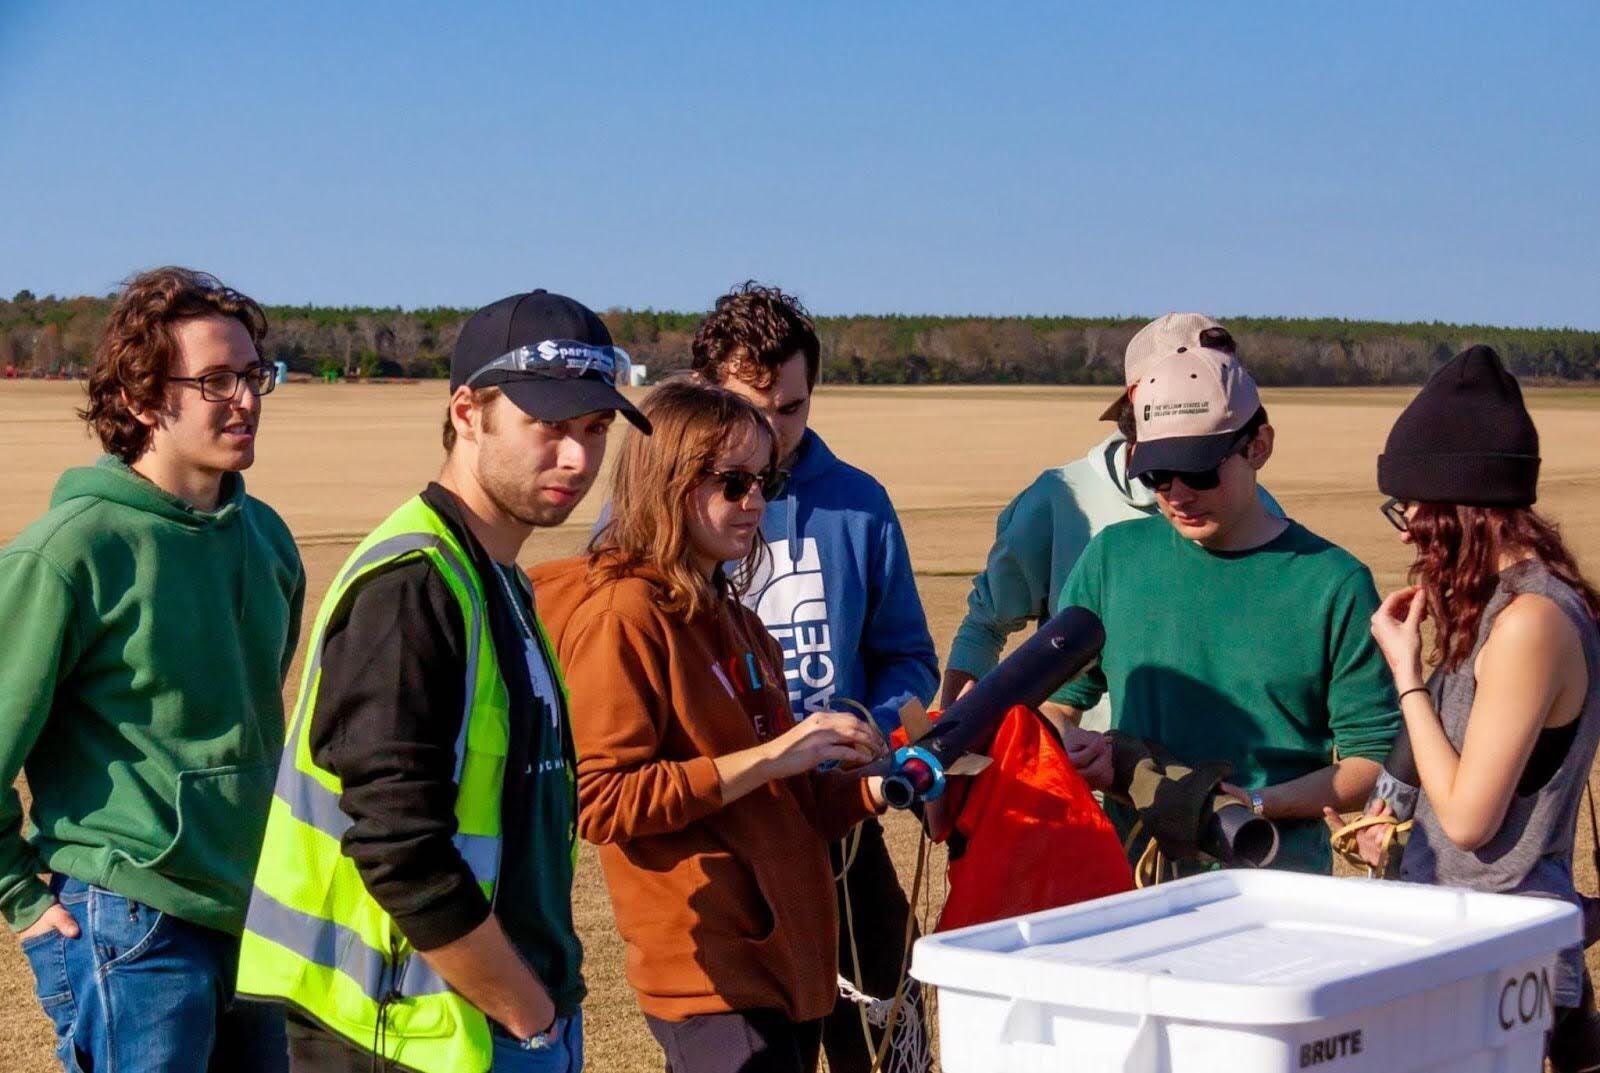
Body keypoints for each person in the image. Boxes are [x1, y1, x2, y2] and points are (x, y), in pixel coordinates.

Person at [237, 290, 648, 1072]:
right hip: (407, 1034)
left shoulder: (497, 580)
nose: (578, 459)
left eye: (595, 430)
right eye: (550, 426)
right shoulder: (413, 586)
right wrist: (525, 1008)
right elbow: (399, 845)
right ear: (467, 411)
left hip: (498, 1022)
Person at [531, 378, 890, 1073]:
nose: (755, 499)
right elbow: (602, 800)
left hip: (784, 966)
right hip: (711, 976)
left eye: (764, 479)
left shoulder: (741, 621)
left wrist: (879, 787)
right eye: (731, 482)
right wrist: (771, 756)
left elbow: (788, 805)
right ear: (666, 481)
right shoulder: (623, 617)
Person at [0, 267, 304, 1073]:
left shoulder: (266, 538)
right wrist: (23, 899)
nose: (245, 398)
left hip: (249, 913)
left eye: (253, 375)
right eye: (214, 380)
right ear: (139, 399)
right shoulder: (70, 551)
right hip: (128, 917)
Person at [689, 282, 936, 1072]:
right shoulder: (657, 513)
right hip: (725, 841)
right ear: (701, 393)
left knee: (890, 1037)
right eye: (748, 409)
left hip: (844, 822)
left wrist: (873, 728)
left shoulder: (858, 504)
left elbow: (910, 658)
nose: (771, 431)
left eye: (791, 408)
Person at [1341, 345, 1600, 1066]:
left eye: (1413, 507)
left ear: (1463, 504)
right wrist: (1391, 831)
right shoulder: (1492, 608)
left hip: (1503, 965)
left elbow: (1469, 816)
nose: (1404, 529)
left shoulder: (1531, 623)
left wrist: (1407, 672)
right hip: (1464, 951)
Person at [1048, 345, 1400, 875]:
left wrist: (1252, 806)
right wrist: (1074, 748)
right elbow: (1058, 703)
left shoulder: (1334, 582)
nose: (1178, 495)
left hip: (1273, 883)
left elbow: (1370, 763)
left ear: (1259, 446)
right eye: (1157, 476)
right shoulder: (1112, 558)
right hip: (1133, 879)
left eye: (1200, 472)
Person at [940, 313, 1282, 724]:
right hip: (1079, 777)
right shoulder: (1058, 500)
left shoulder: (1259, 512)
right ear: (1138, 395)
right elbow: (985, 626)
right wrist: (948, 749)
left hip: (1228, 782)